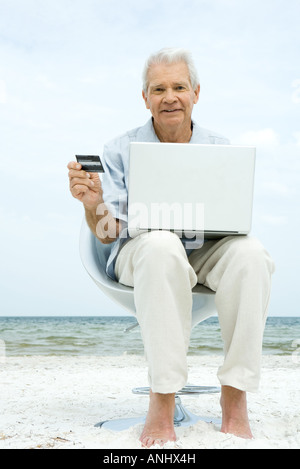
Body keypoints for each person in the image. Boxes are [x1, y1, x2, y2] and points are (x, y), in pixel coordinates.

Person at [68, 47, 275, 448]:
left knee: (252, 254)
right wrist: (94, 206)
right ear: (144, 98)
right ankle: (161, 402)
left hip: (204, 249)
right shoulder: (117, 150)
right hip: (141, 252)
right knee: (161, 245)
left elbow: (231, 222)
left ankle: (235, 397)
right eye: (158, 88)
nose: (169, 96)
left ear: (196, 93)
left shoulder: (220, 146)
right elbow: (108, 233)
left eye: (179, 86)